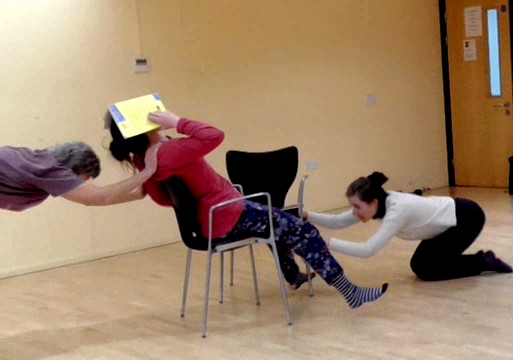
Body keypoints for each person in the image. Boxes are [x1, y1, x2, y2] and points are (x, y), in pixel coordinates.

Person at [107, 110, 387, 309]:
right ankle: (351, 294)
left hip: (219, 216)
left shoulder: (148, 159)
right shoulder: (167, 154)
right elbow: (214, 136)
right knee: (305, 231)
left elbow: (163, 199)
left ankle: (293, 276)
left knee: (280, 224)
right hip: (230, 213)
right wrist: (177, 121)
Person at [303, 171, 512, 281]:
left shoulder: (396, 210)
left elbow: (368, 250)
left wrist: (326, 243)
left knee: (428, 270)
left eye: (357, 206)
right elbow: (338, 221)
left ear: (373, 202)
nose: (355, 212)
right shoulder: (377, 203)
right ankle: (481, 260)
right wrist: (306, 215)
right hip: (443, 224)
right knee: (421, 266)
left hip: (466, 219)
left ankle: (484, 261)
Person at [0, 141, 160, 211]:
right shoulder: (54, 172)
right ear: (74, 168)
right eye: (83, 180)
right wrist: (148, 170)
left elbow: (100, 199)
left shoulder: (40, 162)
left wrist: (140, 193)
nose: (81, 185)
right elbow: (99, 197)